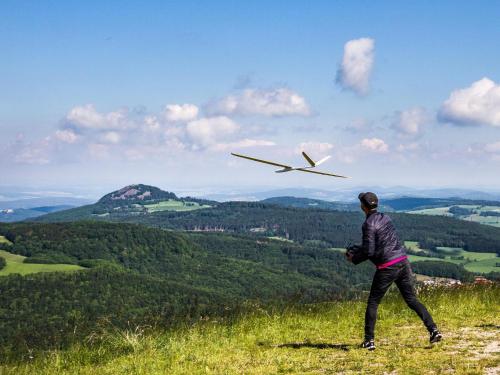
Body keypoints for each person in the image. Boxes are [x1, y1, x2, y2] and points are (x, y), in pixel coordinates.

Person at [346, 192, 442, 351]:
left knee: (373, 302)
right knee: (411, 299)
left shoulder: (368, 224)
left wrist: (354, 258)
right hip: (402, 262)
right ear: (376, 204)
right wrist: (359, 249)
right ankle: (433, 330)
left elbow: (370, 251)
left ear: (363, 206)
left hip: (387, 267)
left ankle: (369, 341)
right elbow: (379, 244)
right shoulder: (386, 218)